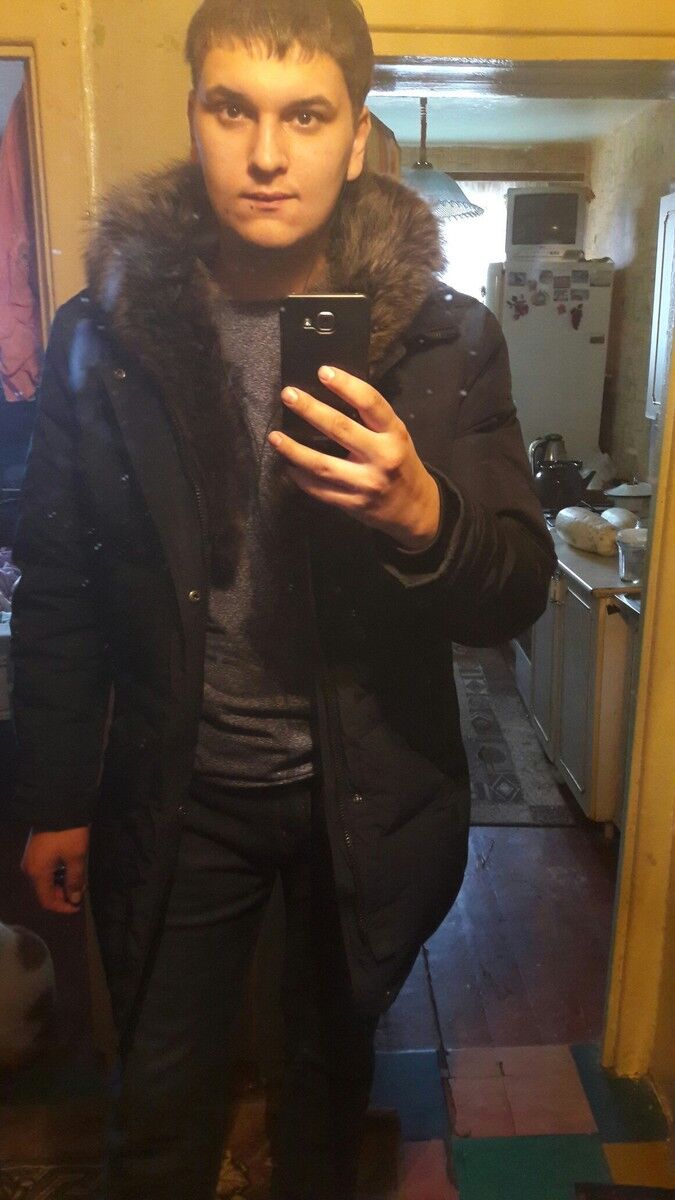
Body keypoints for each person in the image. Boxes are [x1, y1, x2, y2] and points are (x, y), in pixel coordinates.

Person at [11, 1, 556, 1197]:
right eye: (234, 110)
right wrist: (51, 796)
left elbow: (516, 589)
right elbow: (58, 579)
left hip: (361, 798)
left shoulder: (446, 341)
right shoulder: (105, 335)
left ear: (355, 137)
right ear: (194, 117)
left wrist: (425, 515)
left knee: (323, 1095)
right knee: (160, 1103)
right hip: (178, 792)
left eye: (305, 116)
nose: (266, 154)